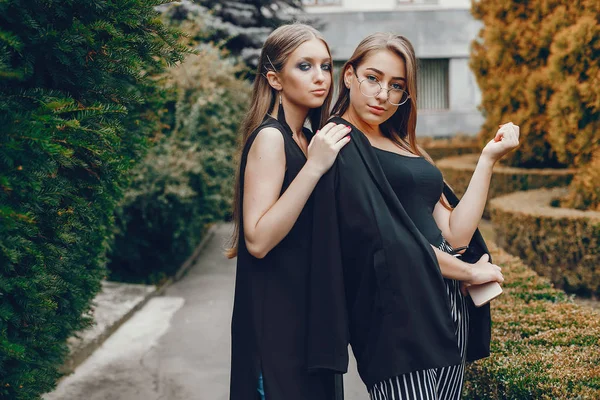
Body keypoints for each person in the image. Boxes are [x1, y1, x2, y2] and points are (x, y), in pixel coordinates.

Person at [307, 32, 519, 400]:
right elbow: (384, 237)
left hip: (447, 298)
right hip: (399, 313)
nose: (382, 95)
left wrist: (488, 159)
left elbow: (455, 235)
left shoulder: (399, 141)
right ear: (349, 76)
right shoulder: (338, 141)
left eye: (396, 86)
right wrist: (469, 271)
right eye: (373, 78)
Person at [226, 23, 350, 400]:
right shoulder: (270, 137)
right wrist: (314, 168)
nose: (321, 78)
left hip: (309, 322)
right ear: (274, 79)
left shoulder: (310, 139)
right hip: (274, 326)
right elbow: (258, 239)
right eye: (305, 66)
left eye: (326, 67)